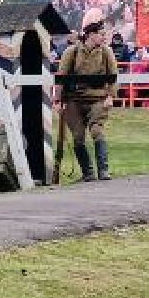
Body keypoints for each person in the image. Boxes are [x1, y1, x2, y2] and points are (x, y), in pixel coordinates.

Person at [55, 11, 120, 181]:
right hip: (74, 99)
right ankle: (88, 172)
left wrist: (110, 96)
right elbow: (61, 77)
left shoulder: (106, 52)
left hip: (97, 97)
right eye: (101, 34)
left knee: (97, 130)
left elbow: (113, 76)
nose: (104, 37)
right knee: (78, 137)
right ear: (91, 35)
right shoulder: (72, 52)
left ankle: (103, 170)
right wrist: (57, 100)